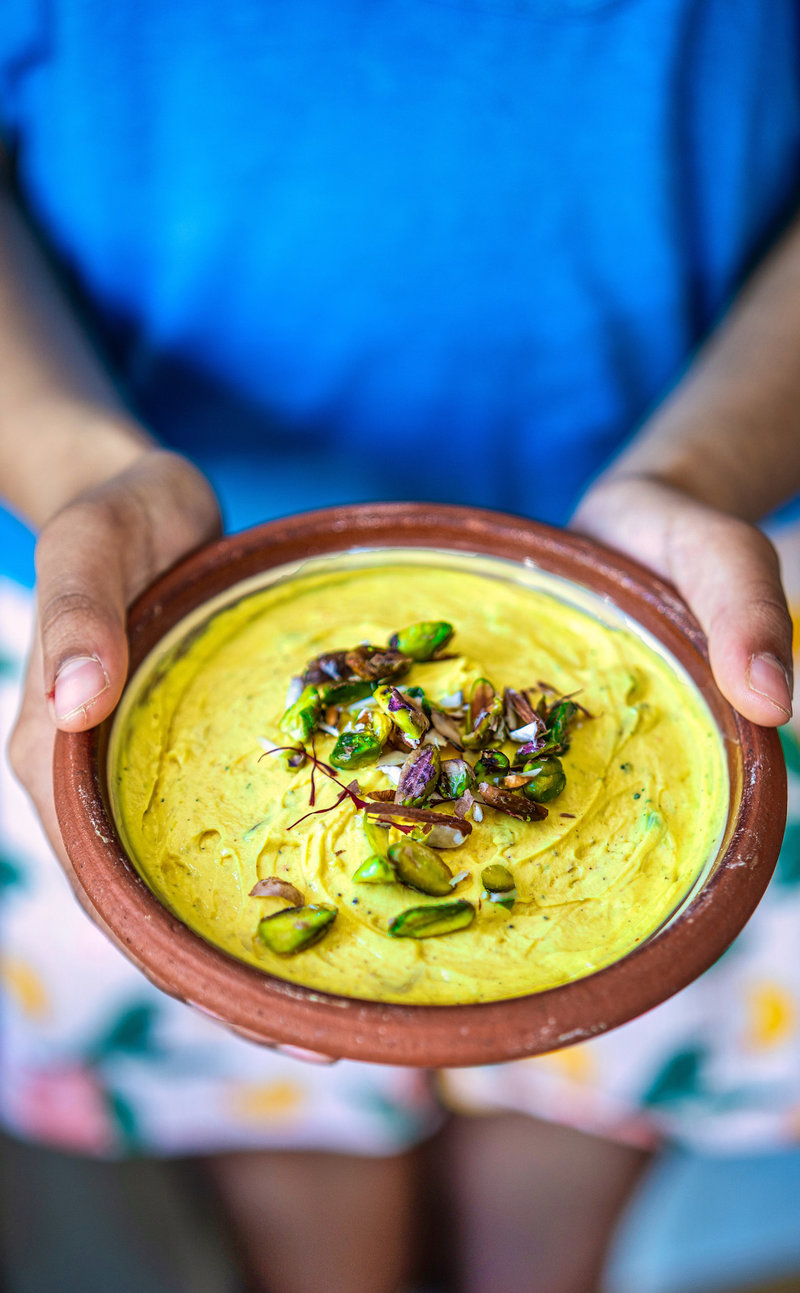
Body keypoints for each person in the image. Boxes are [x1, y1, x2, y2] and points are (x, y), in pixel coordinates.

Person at [3, 3, 800, 1290]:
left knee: (579, 1134)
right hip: (113, 571)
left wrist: (701, 464)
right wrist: (77, 464)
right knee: (285, 1149)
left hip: (698, 583)